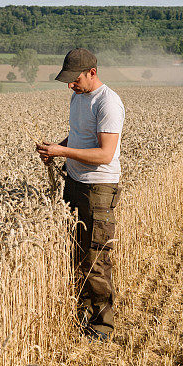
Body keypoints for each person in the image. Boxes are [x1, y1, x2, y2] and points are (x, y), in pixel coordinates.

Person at [36, 48, 125, 341]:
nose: (71, 86)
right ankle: (82, 312)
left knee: (96, 256)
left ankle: (102, 326)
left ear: (92, 73)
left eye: (75, 80)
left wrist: (63, 151)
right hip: (74, 182)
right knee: (76, 251)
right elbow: (78, 136)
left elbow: (104, 153)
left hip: (98, 189)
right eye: (68, 81)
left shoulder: (108, 103)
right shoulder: (78, 97)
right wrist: (57, 149)